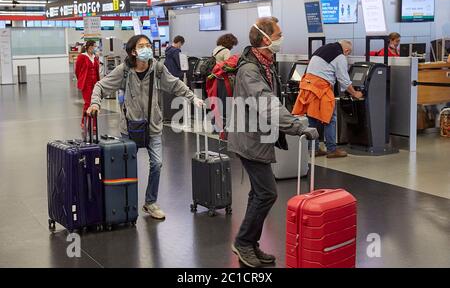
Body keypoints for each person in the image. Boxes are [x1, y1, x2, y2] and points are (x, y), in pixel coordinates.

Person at [227, 17, 318, 268]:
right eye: (278, 34)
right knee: (267, 193)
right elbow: (267, 104)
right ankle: (244, 242)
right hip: (249, 139)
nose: (281, 37)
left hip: (258, 136)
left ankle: (251, 243)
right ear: (265, 39)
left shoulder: (265, 63)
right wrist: (298, 126)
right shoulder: (250, 70)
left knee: (259, 192)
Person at [87, 35, 203, 220]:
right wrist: (95, 103)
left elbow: (174, 84)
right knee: (126, 168)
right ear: (133, 51)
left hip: (153, 127)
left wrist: (192, 97)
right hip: (130, 128)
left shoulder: (157, 68)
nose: (147, 48)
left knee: (156, 164)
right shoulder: (124, 70)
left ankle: (150, 202)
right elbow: (100, 86)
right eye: (142, 46)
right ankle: (124, 203)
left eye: (149, 45)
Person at [292, 40, 363, 158]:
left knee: (312, 117)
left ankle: (313, 149)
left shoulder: (322, 49)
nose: (347, 55)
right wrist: (355, 93)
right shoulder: (339, 56)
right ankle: (332, 149)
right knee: (330, 118)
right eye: (348, 54)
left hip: (307, 85)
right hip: (320, 88)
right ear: (346, 50)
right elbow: (343, 79)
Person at [75, 40, 100, 131]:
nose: (95, 48)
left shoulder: (95, 57)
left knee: (95, 103)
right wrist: (81, 80)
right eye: (94, 46)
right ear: (89, 47)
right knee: (88, 103)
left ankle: (93, 123)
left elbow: (97, 71)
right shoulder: (82, 57)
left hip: (95, 83)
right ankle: (85, 121)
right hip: (86, 83)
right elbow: (77, 70)